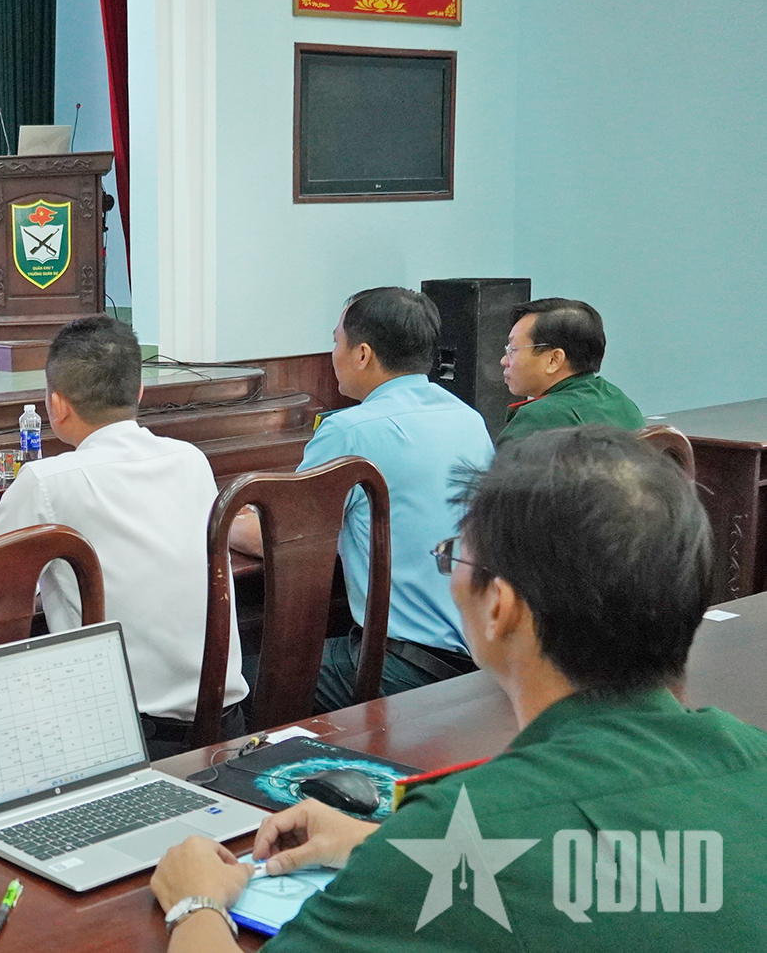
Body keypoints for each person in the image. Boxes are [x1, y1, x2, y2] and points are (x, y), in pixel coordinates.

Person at [151, 425, 767, 950]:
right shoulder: (750, 760)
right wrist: (384, 843)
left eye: (454, 556)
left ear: (500, 607)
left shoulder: (455, 837)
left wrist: (195, 902)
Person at [0, 315, 246, 757]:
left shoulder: (47, 481)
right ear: (139, 391)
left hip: (125, 740)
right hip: (224, 725)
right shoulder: (190, 459)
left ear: (56, 406)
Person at [230, 288, 493, 709]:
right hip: (480, 659)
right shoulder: (468, 418)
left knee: (233, 685)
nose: (333, 353)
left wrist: (224, 520)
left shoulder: (351, 430)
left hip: (403, 667)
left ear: (363, 354)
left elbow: (282, 541)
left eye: (336, 341)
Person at [497, 298, 643, 443]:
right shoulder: (619, 400)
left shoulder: (539, 418)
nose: (504, 361)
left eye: (513, 349)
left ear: (554, 360)